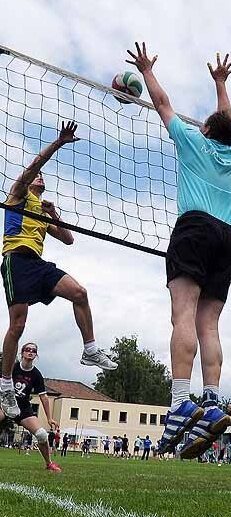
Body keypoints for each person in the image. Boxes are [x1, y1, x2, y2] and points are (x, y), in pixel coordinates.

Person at [126, 43, 231, 459]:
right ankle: (211, 401)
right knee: (208, 323)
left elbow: (161, 102)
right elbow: (230, 122)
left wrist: (146, 70)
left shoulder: (194, 140)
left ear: (208, 129)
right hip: (229, 237)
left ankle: (179, 404)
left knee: (183, 314)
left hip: (194, 228)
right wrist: (221, 84)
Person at [0, 121, 117, 418]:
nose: (39, 177)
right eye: (36, 176)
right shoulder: (18, 195)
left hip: (38, 265)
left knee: (79, 292)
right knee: (18, 325)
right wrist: (60, 142)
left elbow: (68, 238)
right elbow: (35, 163)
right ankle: (5, 383)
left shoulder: (42, 210)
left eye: (41, 177)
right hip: (15, 260)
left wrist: (54, 213)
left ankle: (89, 348)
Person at [0, 342, 61, 471]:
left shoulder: (36, 375)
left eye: (33, 350)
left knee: (42, 435)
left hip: (23, 410)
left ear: (36, 355)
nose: (30, 352)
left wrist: (49, 418)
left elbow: (43, 397)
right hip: (6, 404)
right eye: (27, 349)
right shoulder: (13, 367)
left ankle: (49, 463)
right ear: (22, 352)